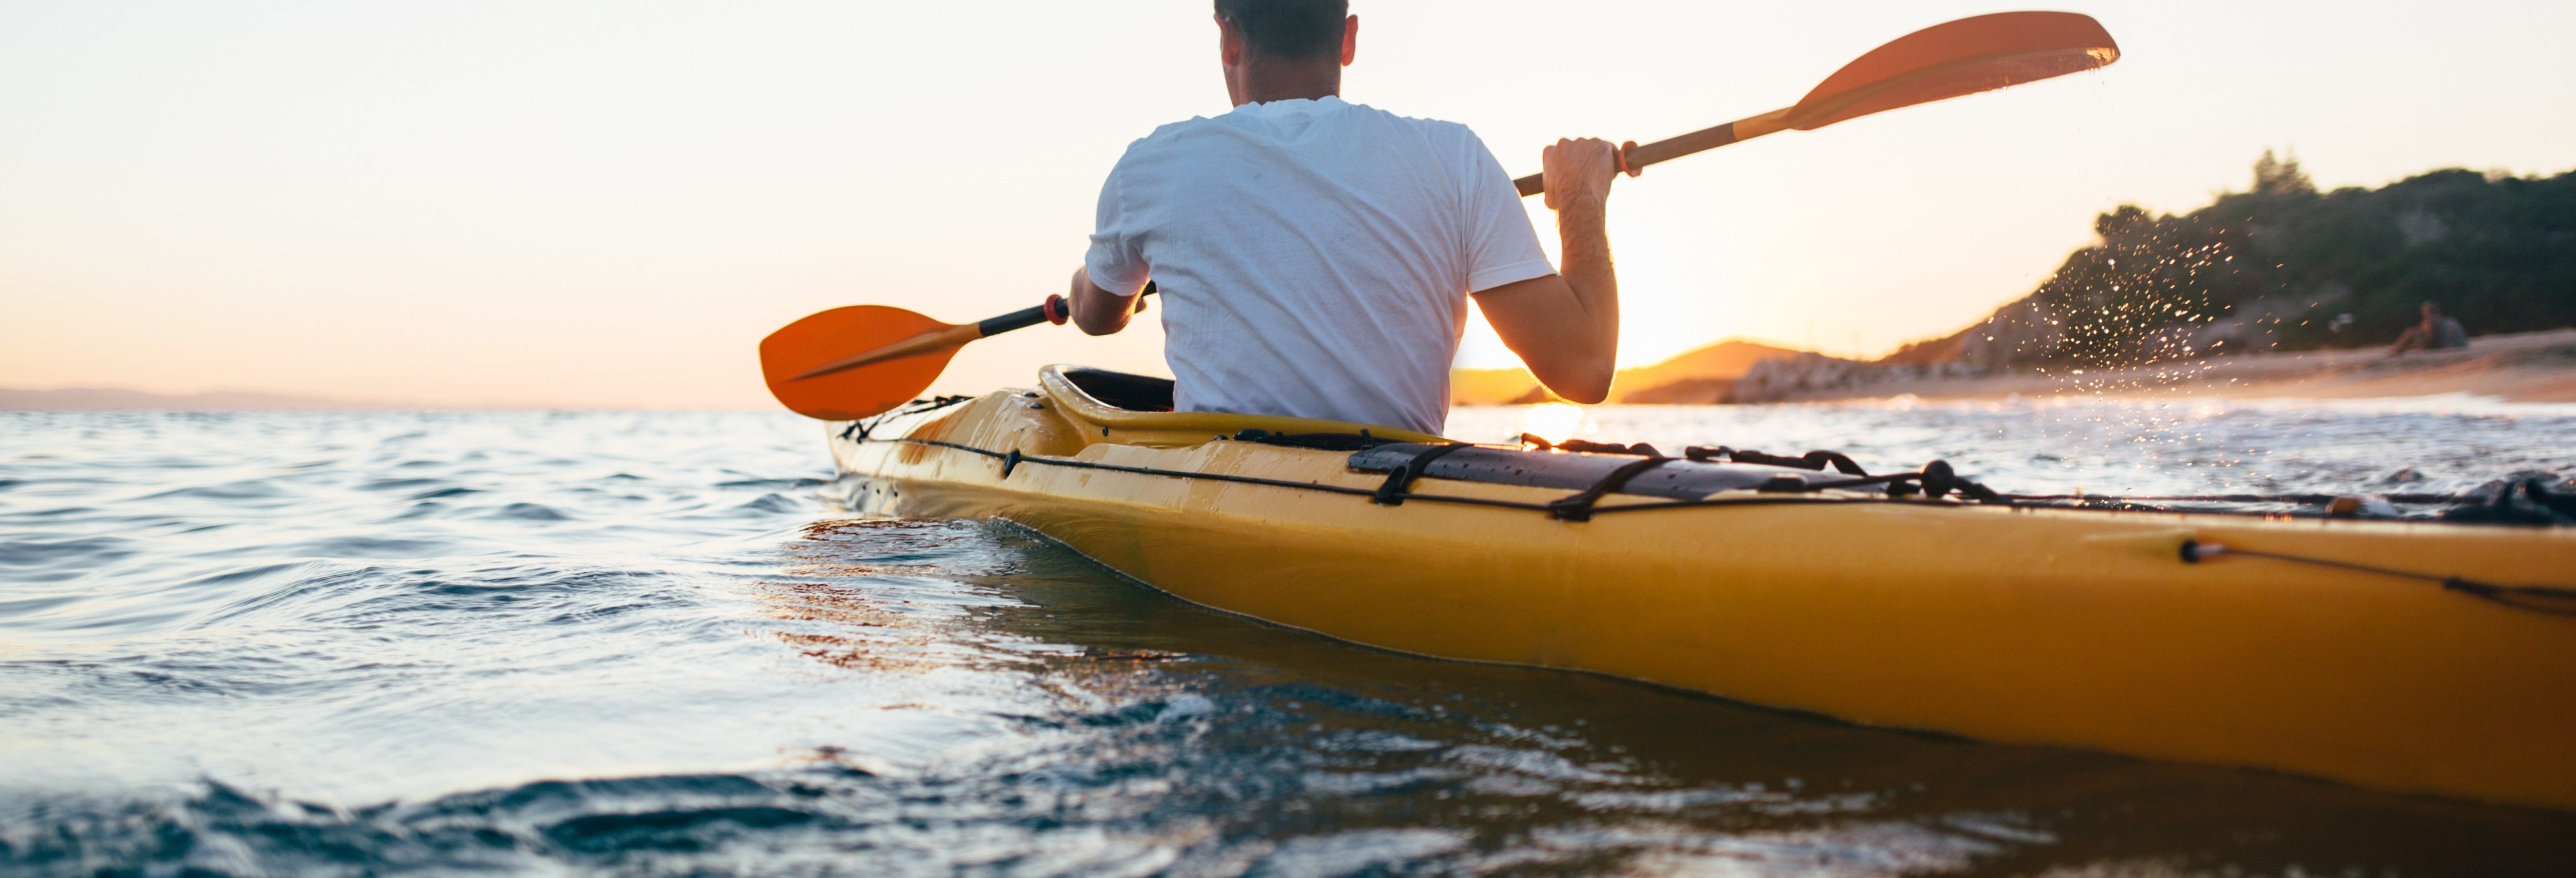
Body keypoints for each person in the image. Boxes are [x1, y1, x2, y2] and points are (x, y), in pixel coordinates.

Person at [1064, 0, 1621, 435]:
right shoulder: (1456, 157)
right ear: (1348, 38)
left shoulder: (1149, 167)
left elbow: (1097, 314)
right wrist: (1580, 200)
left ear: (1228, 38)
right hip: (1394, 490)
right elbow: (1586, 369)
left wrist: (1094, 286)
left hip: (1220, 490)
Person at [2387, 301, 2470, 355]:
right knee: (2416, 333)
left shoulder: (2431, 321)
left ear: (2427, 312)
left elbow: (2430, 336)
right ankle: (2400, 348)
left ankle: (2397, 348)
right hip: (2461, 344)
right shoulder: (2448, 320)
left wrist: (2420, 348)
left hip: (2448, 346)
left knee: (2410, 332)